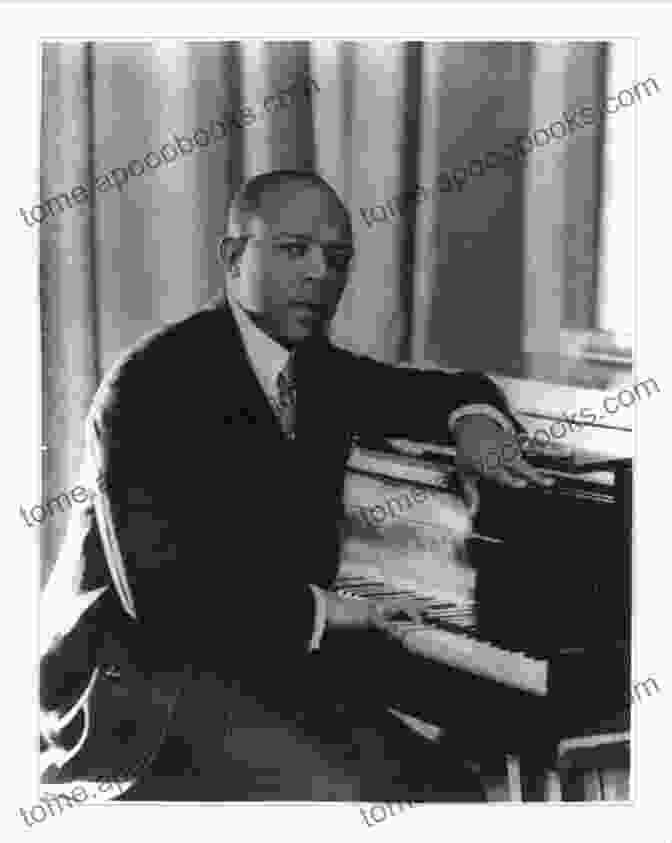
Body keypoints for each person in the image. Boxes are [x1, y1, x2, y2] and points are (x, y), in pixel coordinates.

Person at [39, 169, 552, 802]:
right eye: (293, 251)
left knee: (447, 787)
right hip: (138, 688)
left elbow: (445, 391)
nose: (320, 274)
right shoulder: (146, 386)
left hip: (260, 662)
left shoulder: (317, 372)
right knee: (379, 792)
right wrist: (340, 611)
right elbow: (166, 601)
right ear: (232, 257)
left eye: (337, 259)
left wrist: (476, 424)